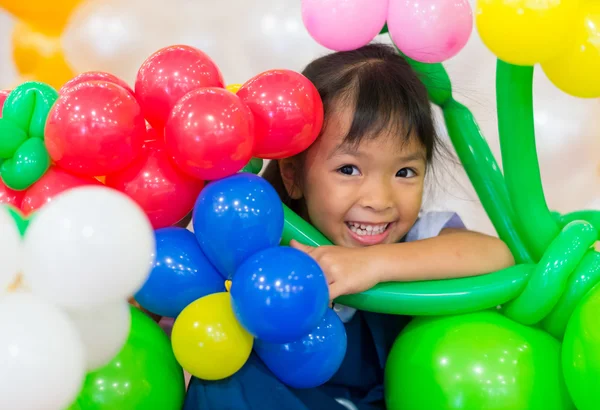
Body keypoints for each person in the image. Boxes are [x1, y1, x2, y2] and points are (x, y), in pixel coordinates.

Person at [184, 43, 515, 410]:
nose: (379, 199)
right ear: (293, 175)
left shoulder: (415, 240)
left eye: (405, 172)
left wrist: (376, 264)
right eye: (349, 169)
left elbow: (497, 255)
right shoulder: (259, 244)